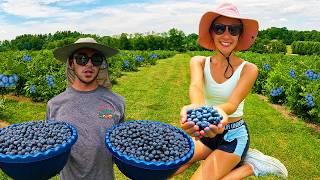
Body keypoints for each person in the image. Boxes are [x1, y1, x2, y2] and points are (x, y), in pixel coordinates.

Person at [174, 2, 288, 179]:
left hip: (233, 136)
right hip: (207, 131)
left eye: (233, 30)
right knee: (171, 165)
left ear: (239, 35)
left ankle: (251, 166)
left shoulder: (249, 69)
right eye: (219, 28)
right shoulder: (198, 61)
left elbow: (232, 103)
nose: (226, 35)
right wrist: (196, 109)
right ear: (211, 32)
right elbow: (195, 86)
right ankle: (217, 156)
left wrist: (217, 112)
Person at [46, 37, 125, 180]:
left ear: (101, 64)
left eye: (96, 59)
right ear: (71, 63)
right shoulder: (54, 105)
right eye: (82, 59)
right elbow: (50, 147)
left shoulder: (116, 102)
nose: (89, 64)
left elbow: (122, 146)